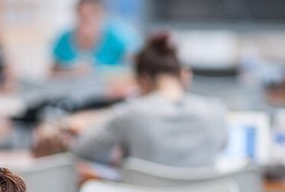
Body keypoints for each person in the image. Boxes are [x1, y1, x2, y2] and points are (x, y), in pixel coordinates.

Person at [70, 33, 229, 168]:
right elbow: (222, 147)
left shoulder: (131, 113)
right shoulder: (216, 110)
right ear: (185, 75)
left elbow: (83, 150)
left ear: (142, 81)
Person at [51, 0, 138, 73]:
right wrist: (71, 71)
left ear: (100, 16)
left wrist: (97, 71)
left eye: (87, 18)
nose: (83, 22)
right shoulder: (64, 40)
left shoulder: (116, 39)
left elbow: (131, 66)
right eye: (80, 16)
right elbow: (53, 70)